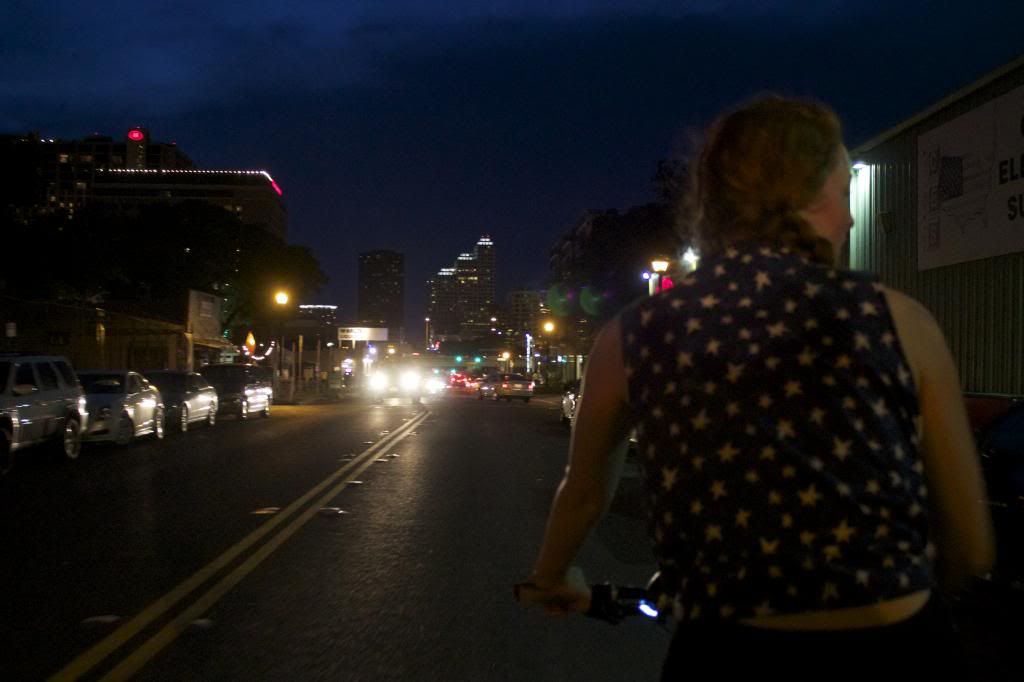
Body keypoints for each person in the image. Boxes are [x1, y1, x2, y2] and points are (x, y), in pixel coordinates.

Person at [519, 96, 995, 679]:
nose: (848, 219)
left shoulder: (635, 335)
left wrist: (553, 576)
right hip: (897, 649)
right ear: (808, 198)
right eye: (843, 195)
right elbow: (970, 546)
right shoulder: (902, 321)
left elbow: (585, 493)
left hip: (726, 653)